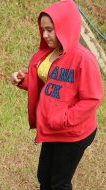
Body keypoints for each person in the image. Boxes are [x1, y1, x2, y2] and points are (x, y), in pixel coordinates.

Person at [11, 0, 104, 189]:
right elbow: (49, 83)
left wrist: (63, 119)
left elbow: (92, 99)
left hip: (73, 131)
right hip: (53, 128)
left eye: (50, 30)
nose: (44, 35)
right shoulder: (51, 53)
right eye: (43, 29)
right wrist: (25, 80)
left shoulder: (83, 59)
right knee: (44, 177)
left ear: (65, 27)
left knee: (59, 183)